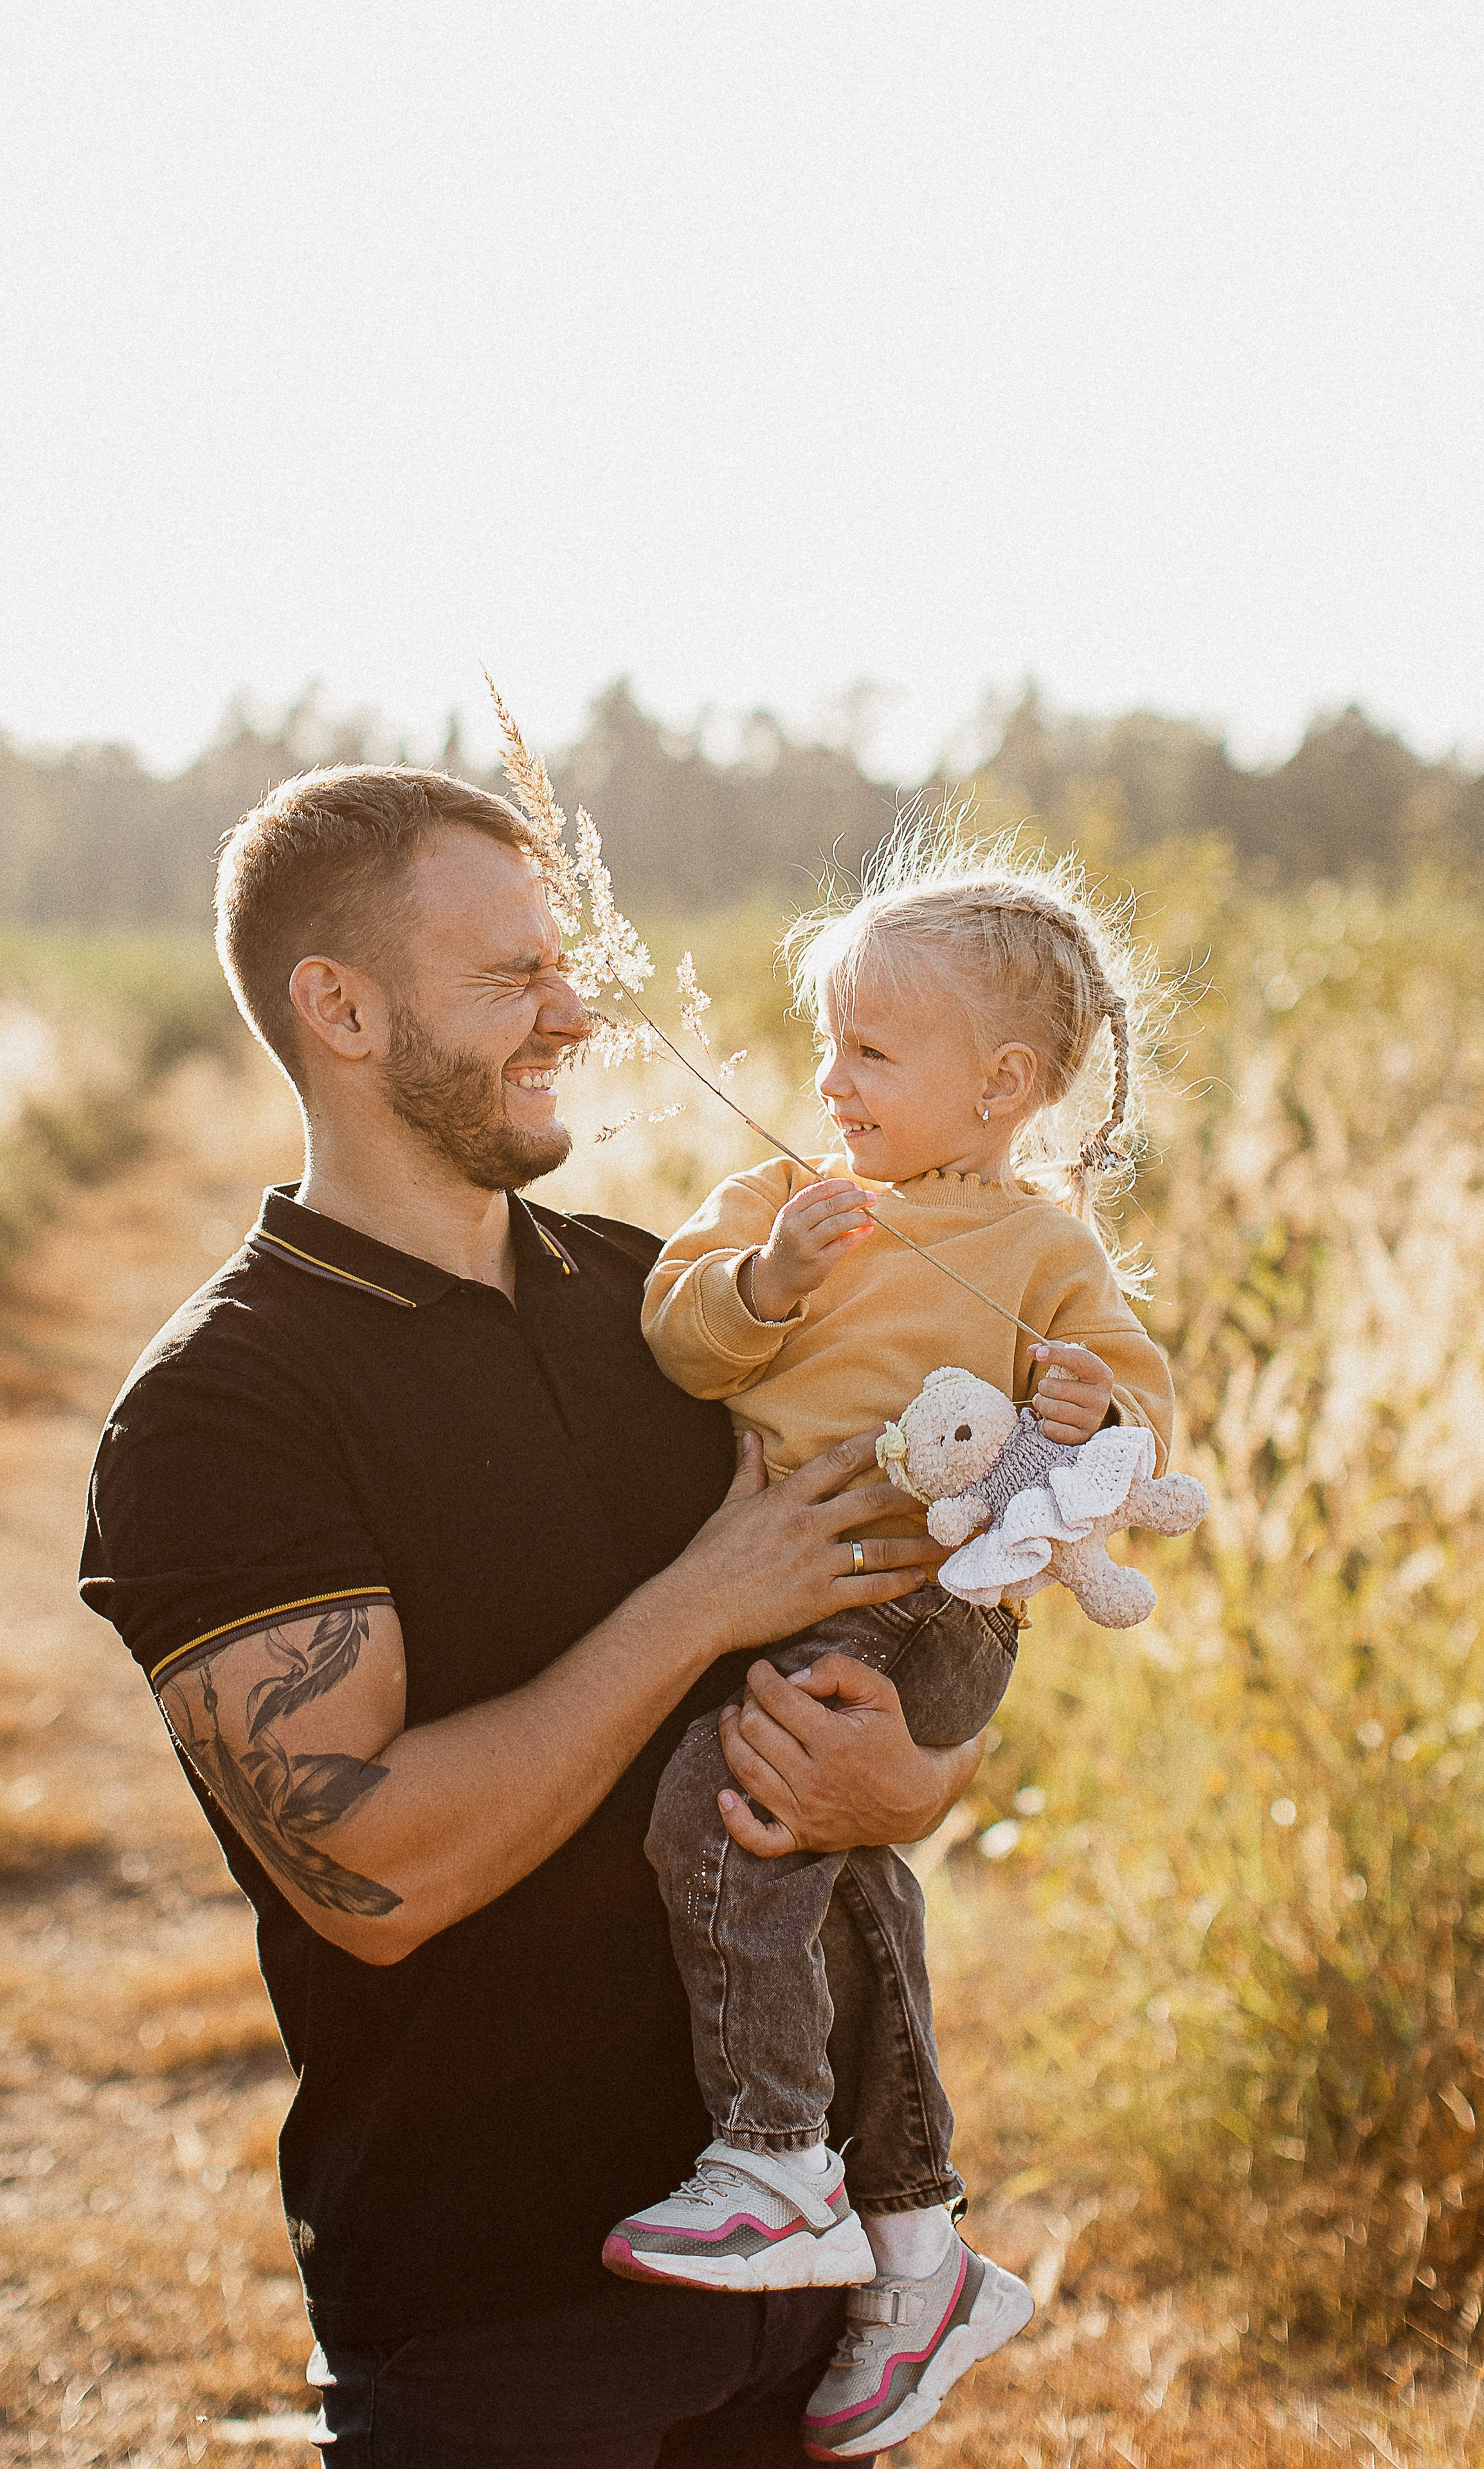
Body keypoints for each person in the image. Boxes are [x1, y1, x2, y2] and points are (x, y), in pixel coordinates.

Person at [78, 766, 984, 2469]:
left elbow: (888, 1640)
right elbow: (377, 1874)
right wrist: (699, 1599)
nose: (574, 1011)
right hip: (505, 2319)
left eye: (562, 965)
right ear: (336, 1009)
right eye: (512, 979)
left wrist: (914, 1784)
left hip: (819, 2279)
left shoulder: (659, 1307)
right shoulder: (228, 1408)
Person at [606, 847, 1175, 2460]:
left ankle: (781, 2160)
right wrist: (761, 1285)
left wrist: (1096, 1410)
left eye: (871, 1052)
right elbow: (676, 1328)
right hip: (800, 1585)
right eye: (827, 1042)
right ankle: (918, 2255)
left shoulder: (1045, 1253)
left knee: (724, 1813)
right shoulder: (792, 1200)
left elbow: (1140, 1406)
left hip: (927, 1600)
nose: (828, 1080)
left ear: (1003, 1088)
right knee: (842, 1872)